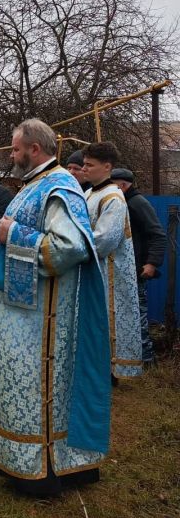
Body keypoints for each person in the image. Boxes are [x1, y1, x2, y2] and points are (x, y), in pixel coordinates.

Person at [0, 119, 110, 496]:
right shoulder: (35, 184)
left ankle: (43, 469)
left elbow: (69, 248)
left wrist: (12, 235)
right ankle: (11, 457)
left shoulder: (60, 187)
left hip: (39, 326)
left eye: (15, 148)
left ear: (34, 149)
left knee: (35, 390)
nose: (11, 154)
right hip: (19, 316)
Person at [83, 143, 142, 379]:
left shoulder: (113, 197)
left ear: (107, 167)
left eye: (90, 165)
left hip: (110, 272)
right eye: (84, 164)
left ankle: (111, 371)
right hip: (92, 268)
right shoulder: (89, 193)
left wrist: (71, 246)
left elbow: (104, 240)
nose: (85, 169)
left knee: (109, 319)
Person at [111, 168, 167, 364]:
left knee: (138, 315)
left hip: (137, 269)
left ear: (124, 185)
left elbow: (158, 234)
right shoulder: (122, 202)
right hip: (124, 268)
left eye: (113, 184)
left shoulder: (137, 203)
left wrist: (151, 263)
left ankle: (147, 359)